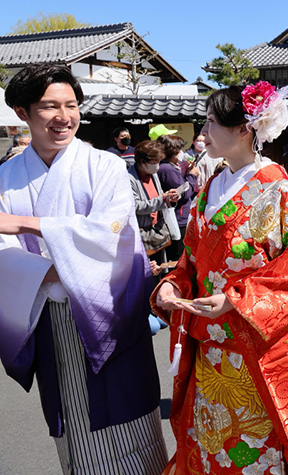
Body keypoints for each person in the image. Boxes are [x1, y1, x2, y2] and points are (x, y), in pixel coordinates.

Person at [153, 82, 288, 475]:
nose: (203, 132)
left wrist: (235, 300)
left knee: (256, 450)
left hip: (255, 348)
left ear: (244, 130)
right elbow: (194, 258)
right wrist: (175, 283)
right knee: (212, 443)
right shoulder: (213, 182)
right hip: (211, 349)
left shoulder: (280, 193)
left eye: (212, 122)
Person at [0, 64, 167, 474]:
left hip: (108, 313)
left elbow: (112, 237)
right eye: (50, 107)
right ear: (23, 112)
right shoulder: (6, 176)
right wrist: (55, 271)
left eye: (71, 105)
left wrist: (29, 227)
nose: (64, 116)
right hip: (46, 317)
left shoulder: (105, 166)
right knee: (73, 420)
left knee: (128, 418)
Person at [129, 140, 180, 269]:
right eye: (154, 163)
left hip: (157, 231)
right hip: (141, 235)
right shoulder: (129, 179)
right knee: (145, 272)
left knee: (159, 268)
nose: (157, 166)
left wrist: (170, 199)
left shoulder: (153, 174)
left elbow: (159, 196)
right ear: (142, 162)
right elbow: (135, 206)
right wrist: (162, 199)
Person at [157, 134, 199, 262]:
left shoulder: (167, 167)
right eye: (179, 150)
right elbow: (183, 193)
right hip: (178, 217)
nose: (181, 153)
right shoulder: (168, 170)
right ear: (172, 152)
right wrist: (192, 176)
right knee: (178, 256)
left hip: (177, 217)